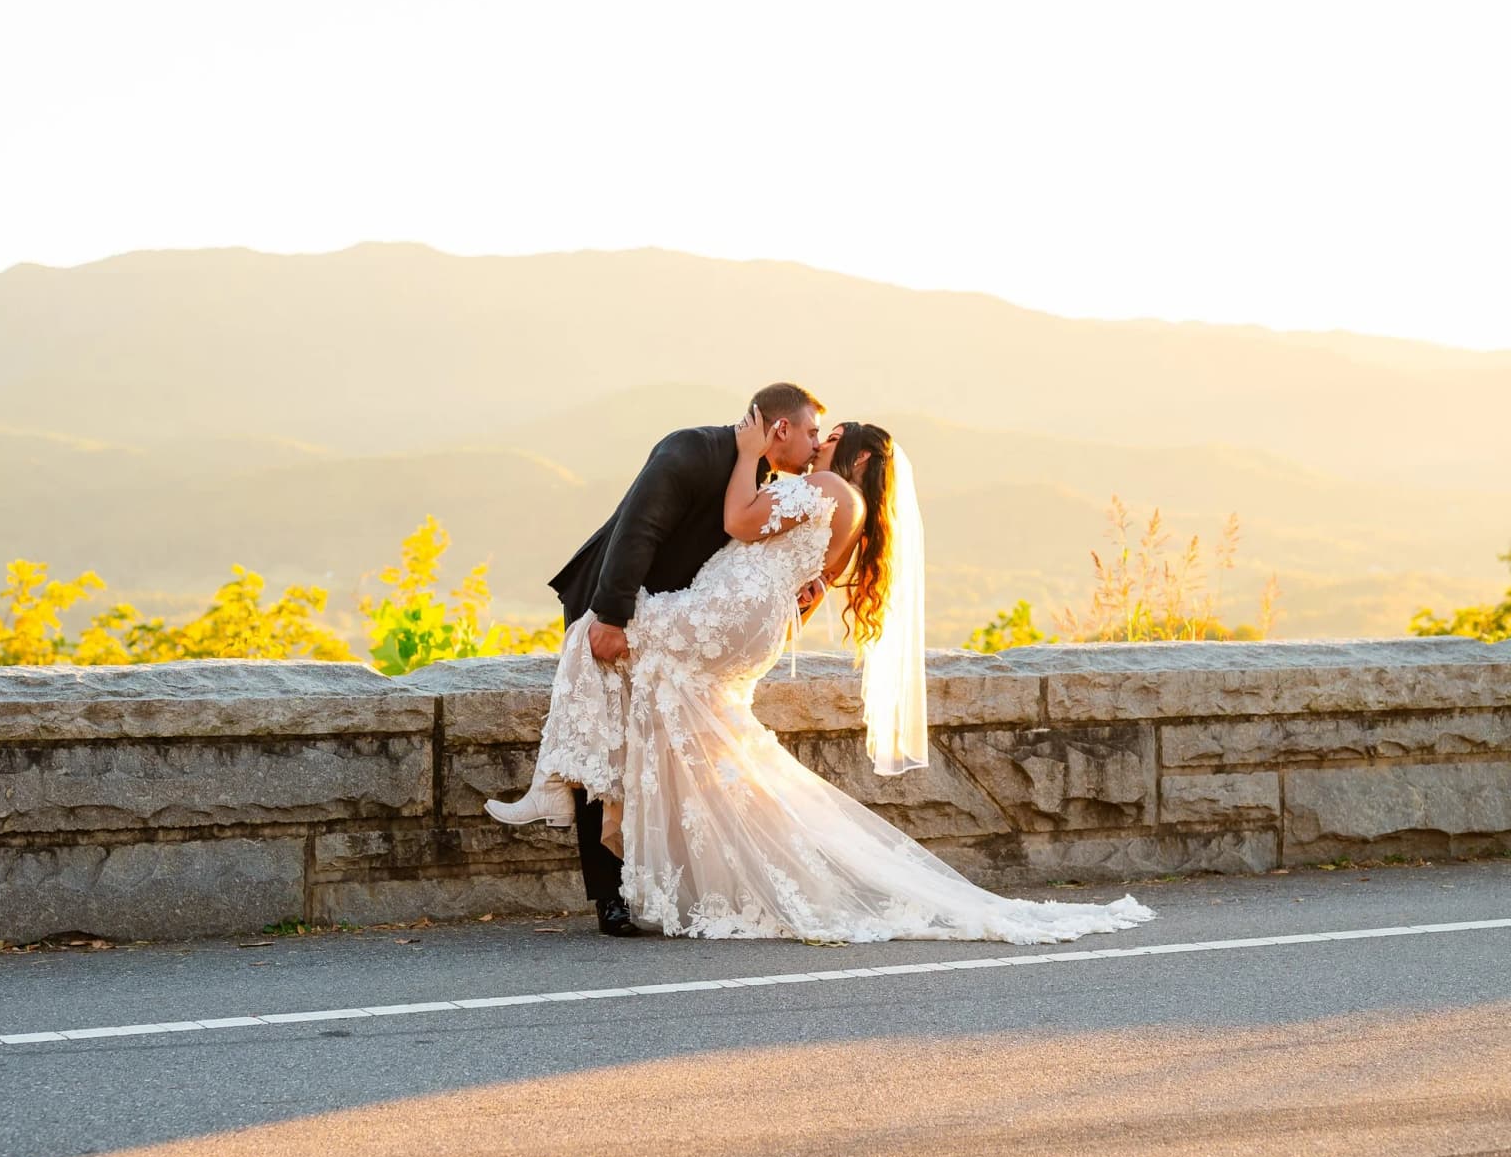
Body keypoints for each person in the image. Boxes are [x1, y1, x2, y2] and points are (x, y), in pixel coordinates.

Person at [491, 411, 1155, 943]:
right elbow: (802, 589)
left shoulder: (830, 489)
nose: (816, 448)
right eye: (816, 434)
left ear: (857, 460)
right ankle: (629, 841)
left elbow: (738, 521)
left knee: (592, 635)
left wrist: (749, 454)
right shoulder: (847, 512)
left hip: (727, 612)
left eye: (828, 439)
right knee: (687, 728)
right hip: (749, 622)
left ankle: (554, 790)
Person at [487, 383, 827, 936]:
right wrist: (611, 617)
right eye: (811, 432)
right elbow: (637, 530)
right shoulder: (689, 450)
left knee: (647, 744)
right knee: (608, 731)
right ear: (781, 428)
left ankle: (642, 875)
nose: (815, 445)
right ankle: (609, 897)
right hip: (609, 602)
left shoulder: (758, 480)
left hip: (662, 623)